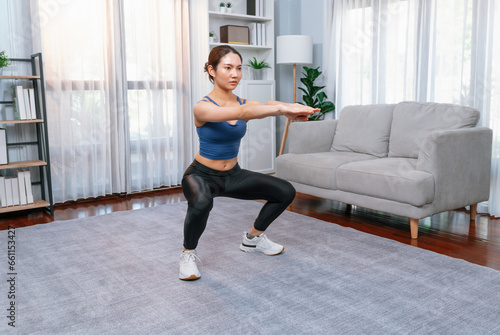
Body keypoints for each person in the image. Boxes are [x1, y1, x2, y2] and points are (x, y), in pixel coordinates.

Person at [179, 45, 319, 281]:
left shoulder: (245, 102)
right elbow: (245, 113)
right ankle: (187, 255)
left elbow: (261, 105)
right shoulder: (202, 107)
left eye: (239, 68)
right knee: (201, 203)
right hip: (201, 176)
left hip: (233, 175)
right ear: (211, 71)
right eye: (228, 68)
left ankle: (252, 239)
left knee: (285, 191)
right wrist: (281, 109)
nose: (235, 74)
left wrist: (290, 108)